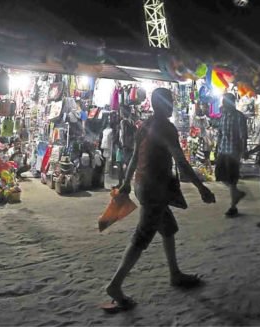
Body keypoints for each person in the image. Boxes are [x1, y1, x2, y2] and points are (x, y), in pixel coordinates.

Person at [105, 88, 216, 311]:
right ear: (164, 104)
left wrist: (127, 183)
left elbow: (135, 157)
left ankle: (175, 273)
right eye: (170, 101)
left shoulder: (145, 125)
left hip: (142, 184)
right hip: (154, 187)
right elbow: (181, 161)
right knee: (141, 237)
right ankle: (115, 285)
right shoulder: (166, 128)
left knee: (168, 228)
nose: (173, 105)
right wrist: (201, 186)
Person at [213, 93, 248, 217]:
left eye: (225, 102)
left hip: (233, 152)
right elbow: (220, 134)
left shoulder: (239, 117)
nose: (223, 104)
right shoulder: (223, 116)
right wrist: (217, 148)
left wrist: (244, 150)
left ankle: (233, 207)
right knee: (219, 176)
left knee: (232, 180)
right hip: (223, 150)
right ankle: (237, 193)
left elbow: (244, 135)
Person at [117, 105, 136, 187]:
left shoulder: (123, 122)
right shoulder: (132, 122)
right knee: (128, 164)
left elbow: (123, 134)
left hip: (125, 145)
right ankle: (125, 182)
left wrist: (123, 144)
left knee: (122, 164)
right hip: (131, 145)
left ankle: (123, 183)